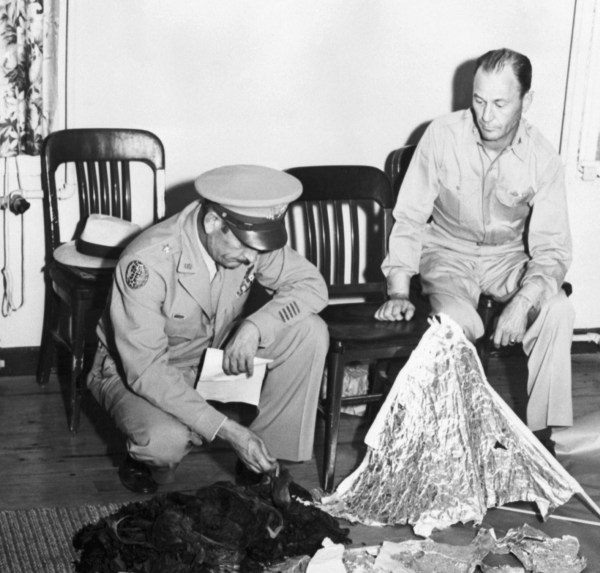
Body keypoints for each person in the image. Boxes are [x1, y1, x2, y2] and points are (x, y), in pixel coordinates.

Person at [87, 164, 329, 494]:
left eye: (258, 250)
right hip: (141, 371)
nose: (251, 260)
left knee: (309, 332)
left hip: (210, 358)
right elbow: (146, 370)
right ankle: (145, 461)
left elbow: (312, 286)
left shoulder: (249, 242)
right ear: (214, 221)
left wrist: (255, 327)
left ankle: (262, 462)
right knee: (164, 442)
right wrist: (228, 430)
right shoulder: (147, 262)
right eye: (245, 248)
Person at [376, 48, 575, 447]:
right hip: (447, 252)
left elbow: (551, 252)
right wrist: (398, 289)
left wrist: (522, 303)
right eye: (479, 100)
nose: (486, 115)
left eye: (500, 103)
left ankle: (539, 439)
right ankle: (452, 437)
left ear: (526, 101)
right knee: (456, 324)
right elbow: (411, 216)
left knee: (557, 309)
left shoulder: (544, 158)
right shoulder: (441, 135)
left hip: (507, 258)